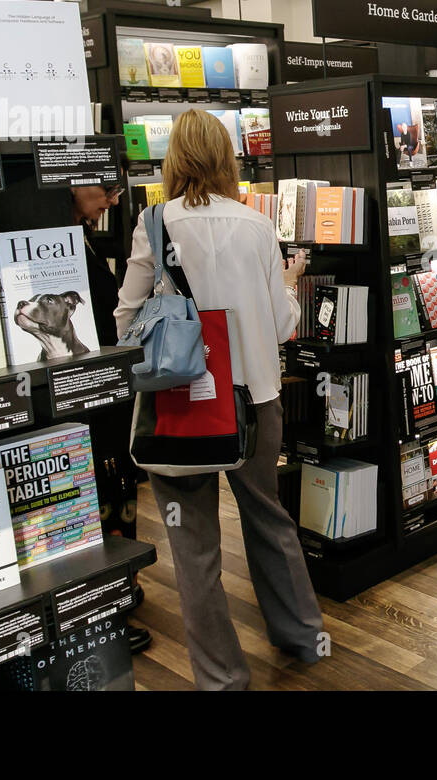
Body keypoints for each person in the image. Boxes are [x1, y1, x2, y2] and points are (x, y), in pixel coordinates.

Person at [114, 109, 323, 690]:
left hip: (178, 408)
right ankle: (303, 636)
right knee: (268, 519)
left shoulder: (152, 223)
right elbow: (282, 326)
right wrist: (286, 284)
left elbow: (125, 322)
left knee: (193, 547)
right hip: (254, 402)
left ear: (174, 158)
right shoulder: (255, 226)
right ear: (227, 158)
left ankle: (221, 677)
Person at [71, 181, 153, 657]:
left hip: (105, 395)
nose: (114, 200)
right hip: (89, 402)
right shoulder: (55, 242)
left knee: (117, 489)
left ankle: (119, 590)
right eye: (103, 187)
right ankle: (104, 606)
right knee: (102, 495)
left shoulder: (81, 237)